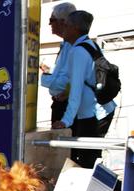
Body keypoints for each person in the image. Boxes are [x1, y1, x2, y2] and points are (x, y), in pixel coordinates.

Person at [52, 11, 106, 168]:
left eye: (66, 25)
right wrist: (66, 93)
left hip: (93, 113)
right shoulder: (90, 45)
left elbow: (76, 89)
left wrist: (65, 121)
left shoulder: (78, 51)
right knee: (89, 158)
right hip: (97, 110)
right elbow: (85, 79)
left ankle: (110, 190)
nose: (63, 28)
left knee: (88, 160)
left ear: (75, 28)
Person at [40, 3, 77, 126]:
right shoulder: (67, 44)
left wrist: (43, 78)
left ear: (63, 22)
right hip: (65, 105)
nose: (49, 24)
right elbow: (64, 74)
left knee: (66, 143)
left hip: (73, 108)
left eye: (52, 20)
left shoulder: (75, 45)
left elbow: (63, 83)